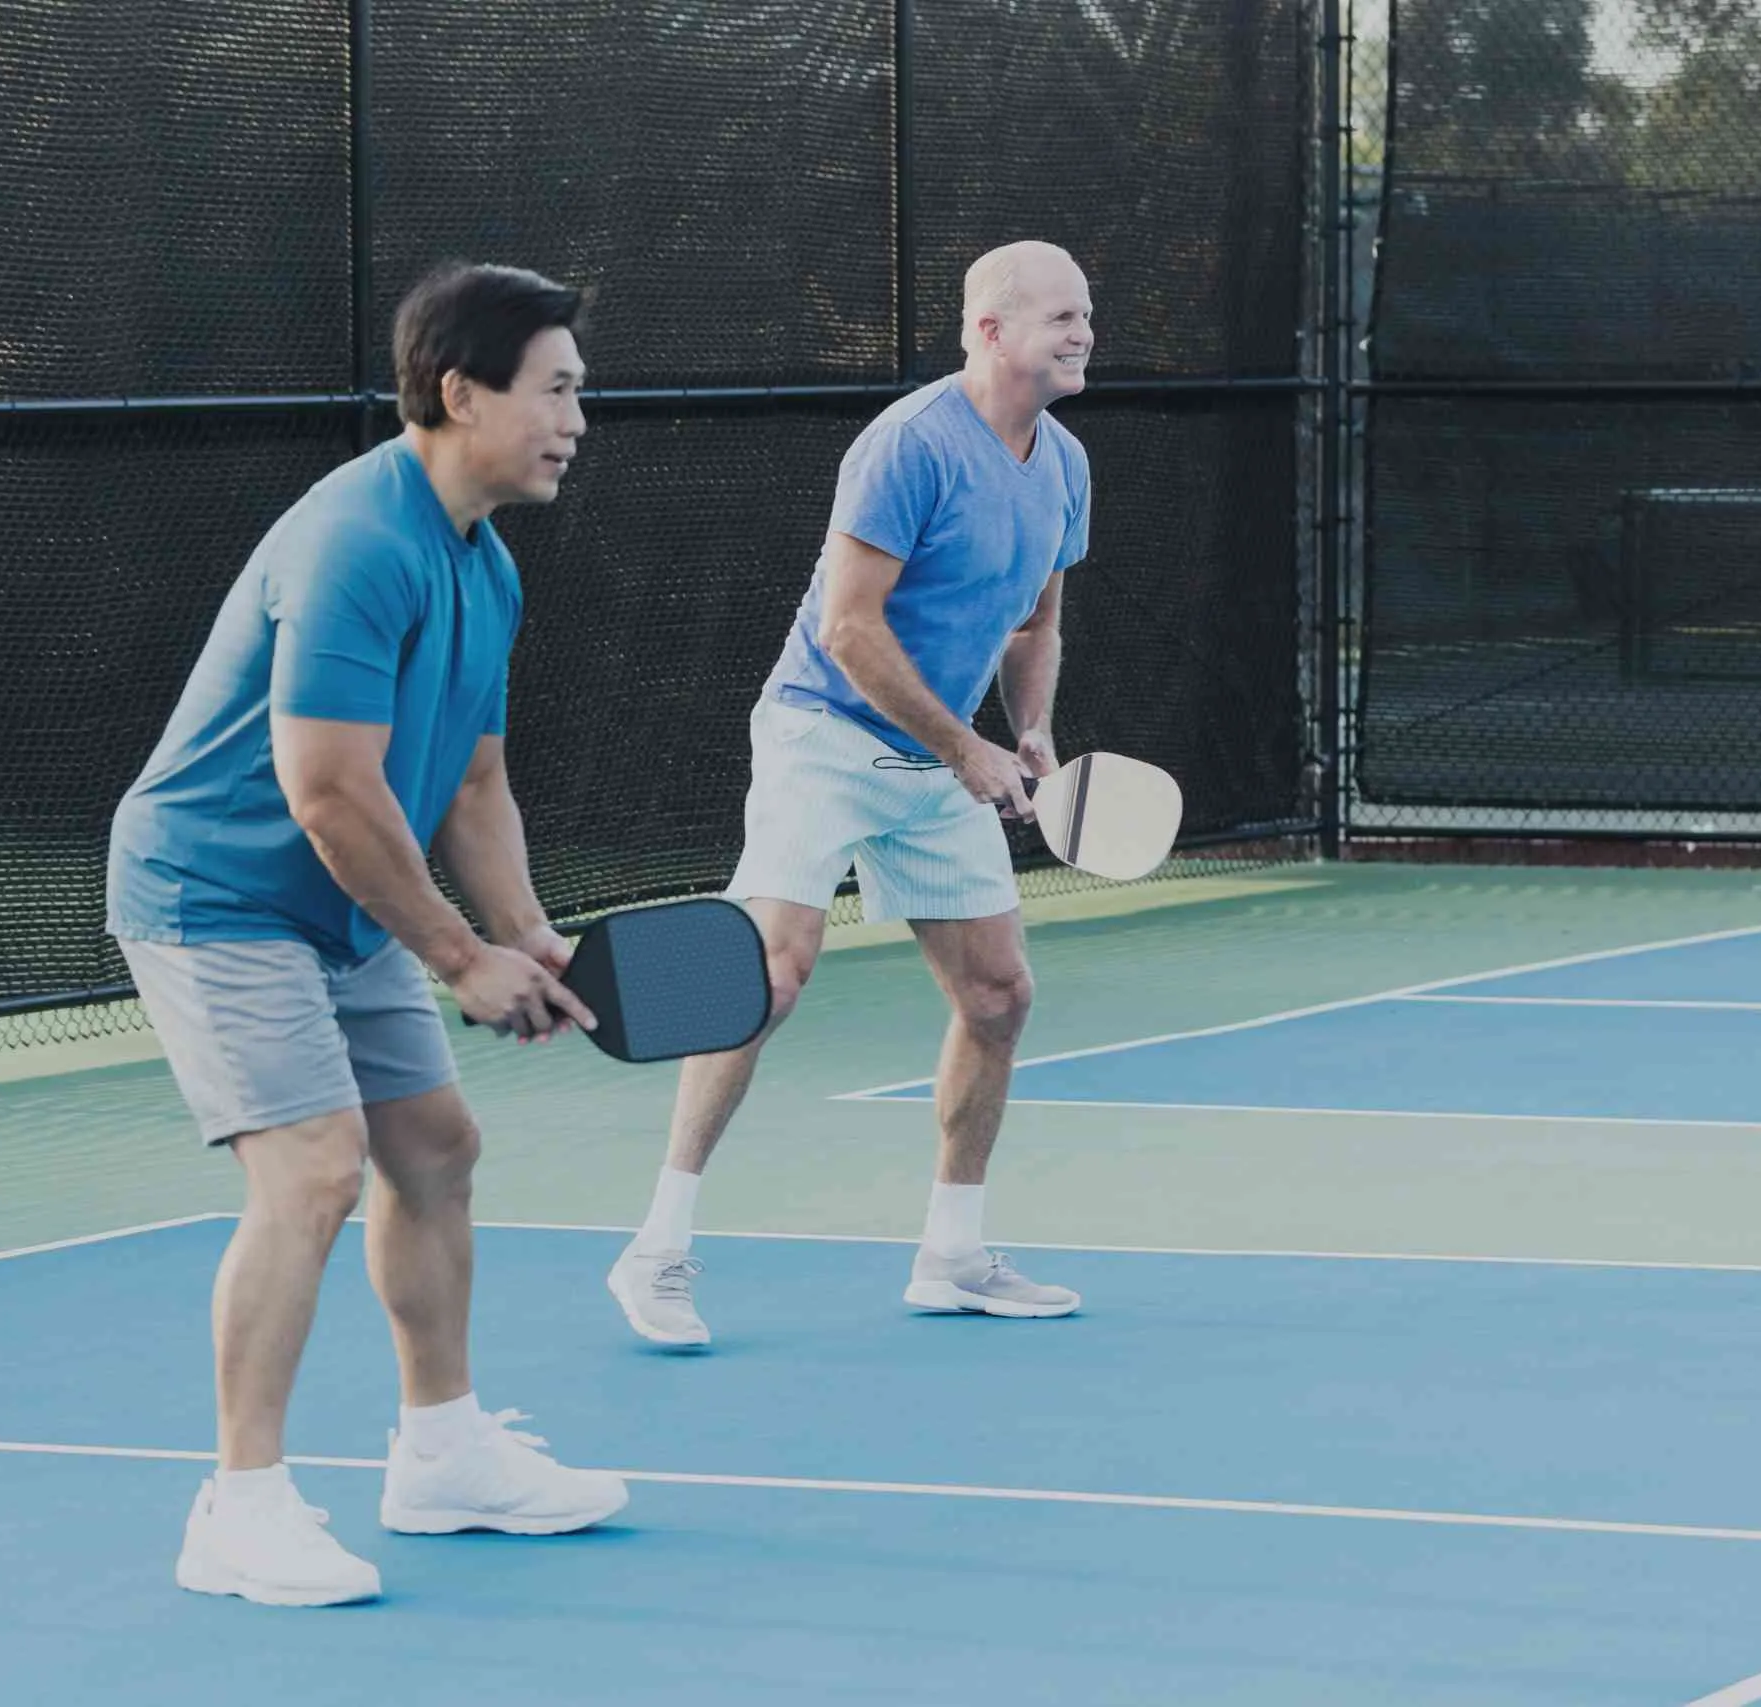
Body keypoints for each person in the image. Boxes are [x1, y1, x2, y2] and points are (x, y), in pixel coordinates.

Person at [108, 262, 627, 1608]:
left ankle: (444, 1453)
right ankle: (240, 1504)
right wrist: (461, 955)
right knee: (315, 1167)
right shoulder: (358, 542)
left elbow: (469, 779)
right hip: (217, 893)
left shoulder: (484, 562)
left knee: (435, 1147)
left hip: (344, 897)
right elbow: (327, 787)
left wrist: (526, 928)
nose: (579, 415)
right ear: (462, 393)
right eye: (556, 388)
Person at [608, 240, 1095, 1348]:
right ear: (989, 330)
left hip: (940, 761)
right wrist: (962, 746)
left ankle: (954, 1255)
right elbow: (846, 626)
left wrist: (1028, 733)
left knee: (997, 996)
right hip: (822, 734)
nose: (1083, 334)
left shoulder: (1063, 463)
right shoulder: (908, 448)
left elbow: (1036, 623)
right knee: (763, 978)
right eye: (1060, 317)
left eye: (1085, 316)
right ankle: (656, 1253)